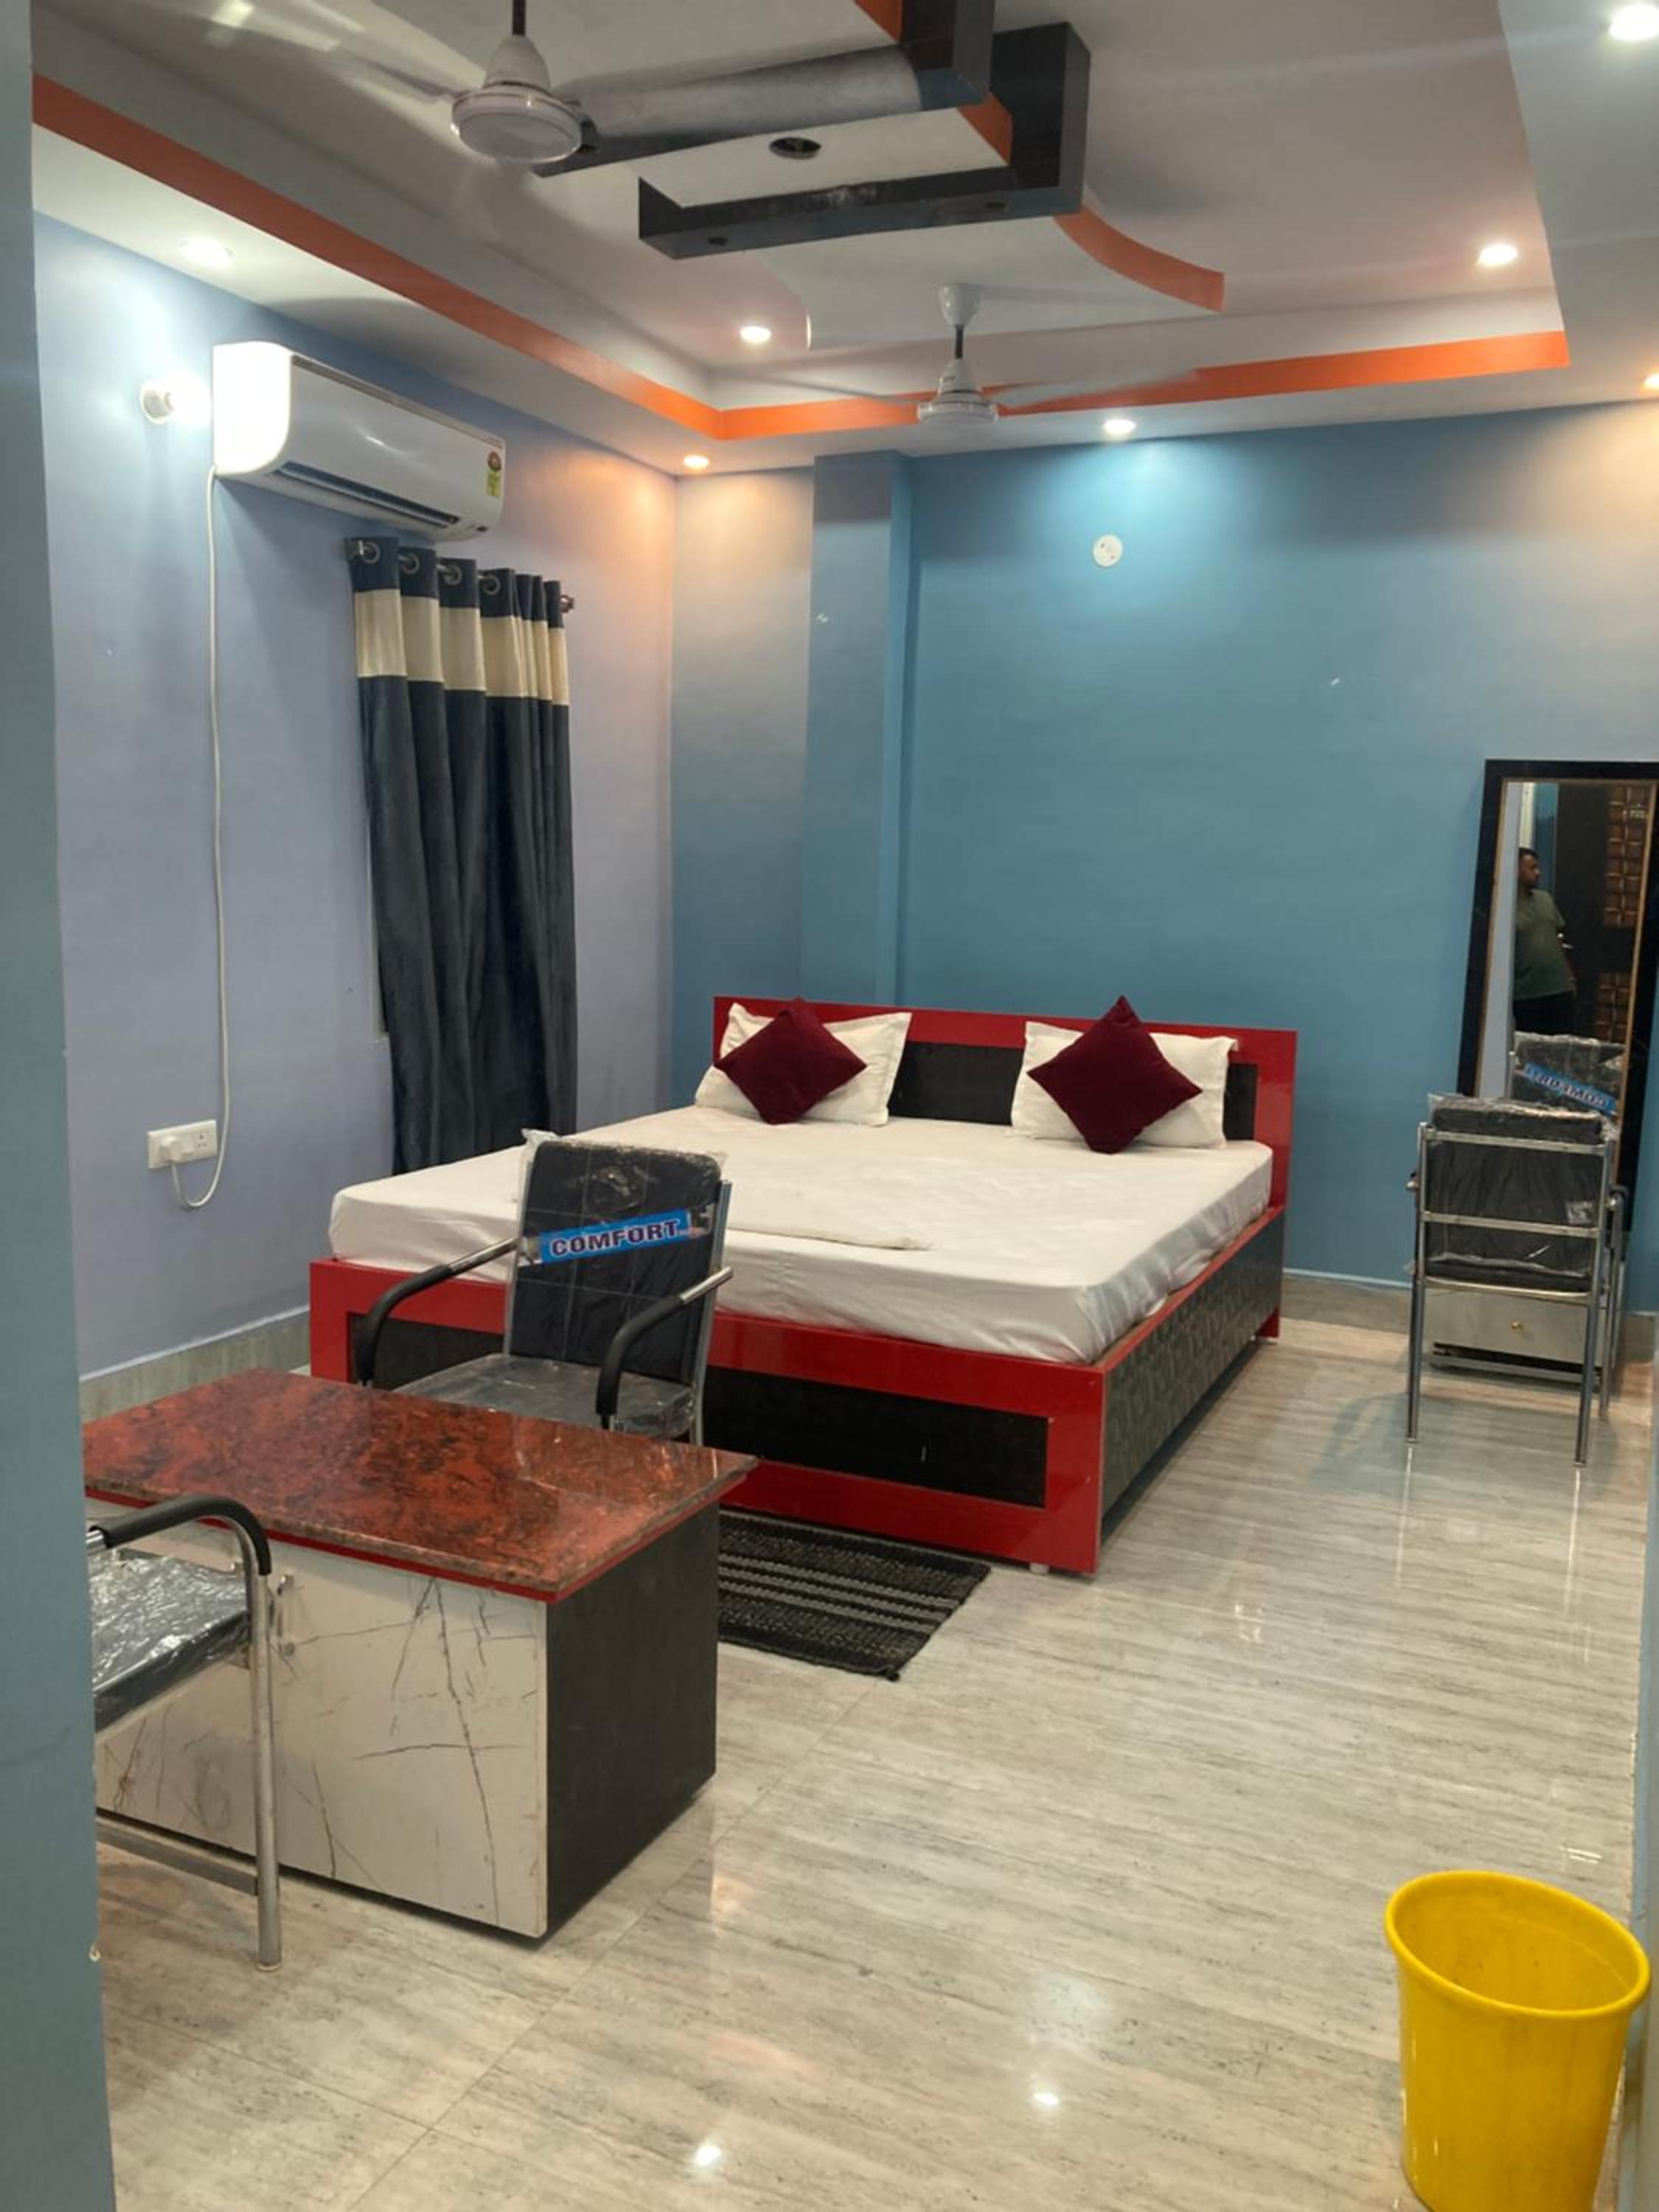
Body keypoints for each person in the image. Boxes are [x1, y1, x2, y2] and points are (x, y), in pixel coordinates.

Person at [1512, 846, 1576, 1035]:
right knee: (1533, 1049)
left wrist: (1570, 976)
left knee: (1563, 1046)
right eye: (1532, 868)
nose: (1538, 873)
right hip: (1527, 994)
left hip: (1559, 988)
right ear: (1516, 870)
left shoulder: (1545, 899)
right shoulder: (1506, 906)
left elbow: (1558, 938)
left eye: (1538, 867)